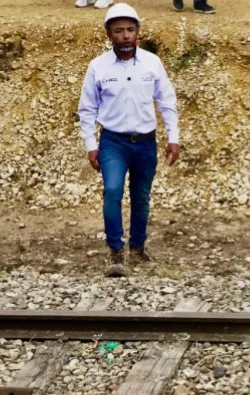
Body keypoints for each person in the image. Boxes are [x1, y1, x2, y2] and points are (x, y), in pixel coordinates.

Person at [77, 3, 181, 277]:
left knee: (141, 195)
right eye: (118, 30)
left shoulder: (152, 63)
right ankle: (115, 250)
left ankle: (137, 246)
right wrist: (91, 145)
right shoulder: (97, 67)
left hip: (146, 142)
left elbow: (167, 101)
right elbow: (87, 109)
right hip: (113, 142)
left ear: (138, 31)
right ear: (108, 34)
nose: (125, 35)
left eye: (130, 29)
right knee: (112, 191)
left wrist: (173, 137)